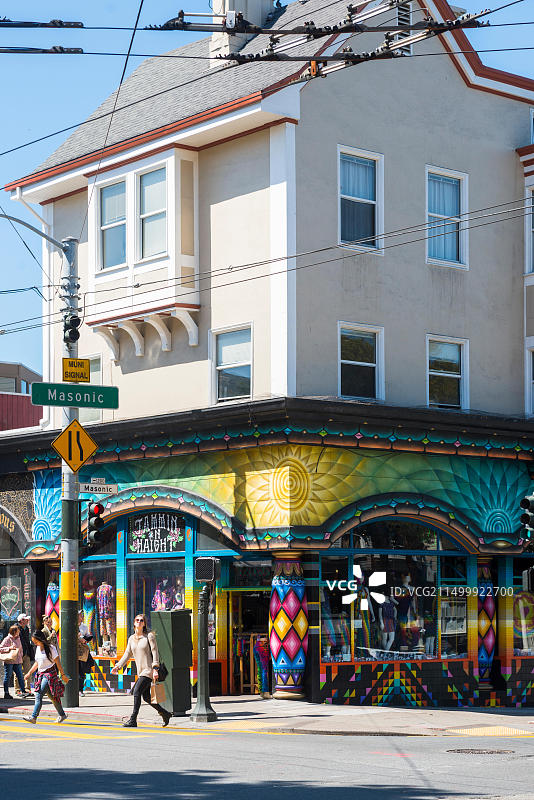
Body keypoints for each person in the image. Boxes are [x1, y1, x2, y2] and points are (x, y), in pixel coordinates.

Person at [111, 613, 171, 728]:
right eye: (137, 620)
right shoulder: (131, 639)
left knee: (136, 691)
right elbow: (127, 654)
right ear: (134, 623)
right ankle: (165, 713)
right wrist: (118, 666)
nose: (139, 622)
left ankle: (133, 719)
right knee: (146, 697)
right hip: (140, 672)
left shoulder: (149, 636)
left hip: (148, 671)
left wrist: (155, 668)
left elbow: (155, 652)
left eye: (141, 620)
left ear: (144, 624)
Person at [23, 629, 69, 724]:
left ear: (41, 639)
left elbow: (58, 663)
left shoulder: (51, 648)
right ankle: (62, 715)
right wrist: (29, 673)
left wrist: (63, 675)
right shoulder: (38, 649)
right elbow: (37, 663)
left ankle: (33, 717)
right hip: (40, 675)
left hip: (49, 675)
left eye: (36, 641)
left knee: (38, 694)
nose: (35, 643)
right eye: (34, 642)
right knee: (53, 697)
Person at [0, 624, 29, 699]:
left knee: (20, 676)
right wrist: (9, 648)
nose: (19, 633)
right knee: (8, 676)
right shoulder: (7, 639)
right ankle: (6, 693)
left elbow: (20, 648)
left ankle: (23, 691)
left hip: (18, 661)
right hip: (9, 661)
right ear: (14, 632)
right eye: (17, 631)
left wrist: (21, 656)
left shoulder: (18, 638)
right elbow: (1, 648)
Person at [78, 610, 94, 696]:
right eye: (80, 615)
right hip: (73, 651)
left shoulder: (84, 627)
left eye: (81, 615)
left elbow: (88, 635)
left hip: (82, 652)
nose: (81, 617)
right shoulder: (71, 626)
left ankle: (80, 689)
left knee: (81, 671)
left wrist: (85, 639)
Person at [17, 614, 34, 694]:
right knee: (17, 671)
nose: (28, 621)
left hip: (26, 653)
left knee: (28, 670)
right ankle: (17, 689)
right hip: (18, 653)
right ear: (21, 620)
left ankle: (27, 688)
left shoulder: (26, 628)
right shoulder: (16, 628)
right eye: (26, 619)